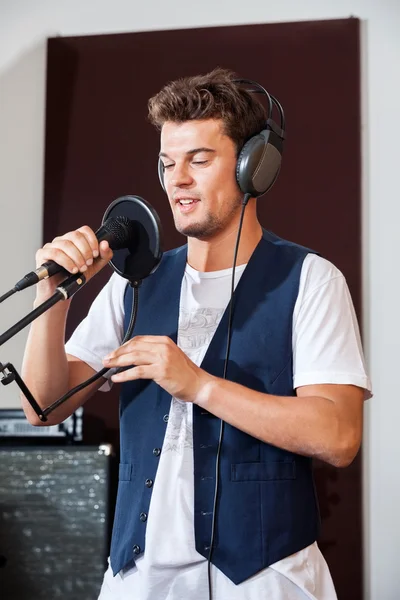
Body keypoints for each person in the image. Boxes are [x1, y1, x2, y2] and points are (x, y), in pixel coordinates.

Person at [21, 68, 371, 600]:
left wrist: (197, 384)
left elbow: (339, 436)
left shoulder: (311, 280)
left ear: (255, 167)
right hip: (137, 582)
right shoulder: (133, 283)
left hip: (262, 581)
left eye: (199, 160)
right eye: (167, 163)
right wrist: (52, 297)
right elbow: (43, 406)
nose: (177, 179)